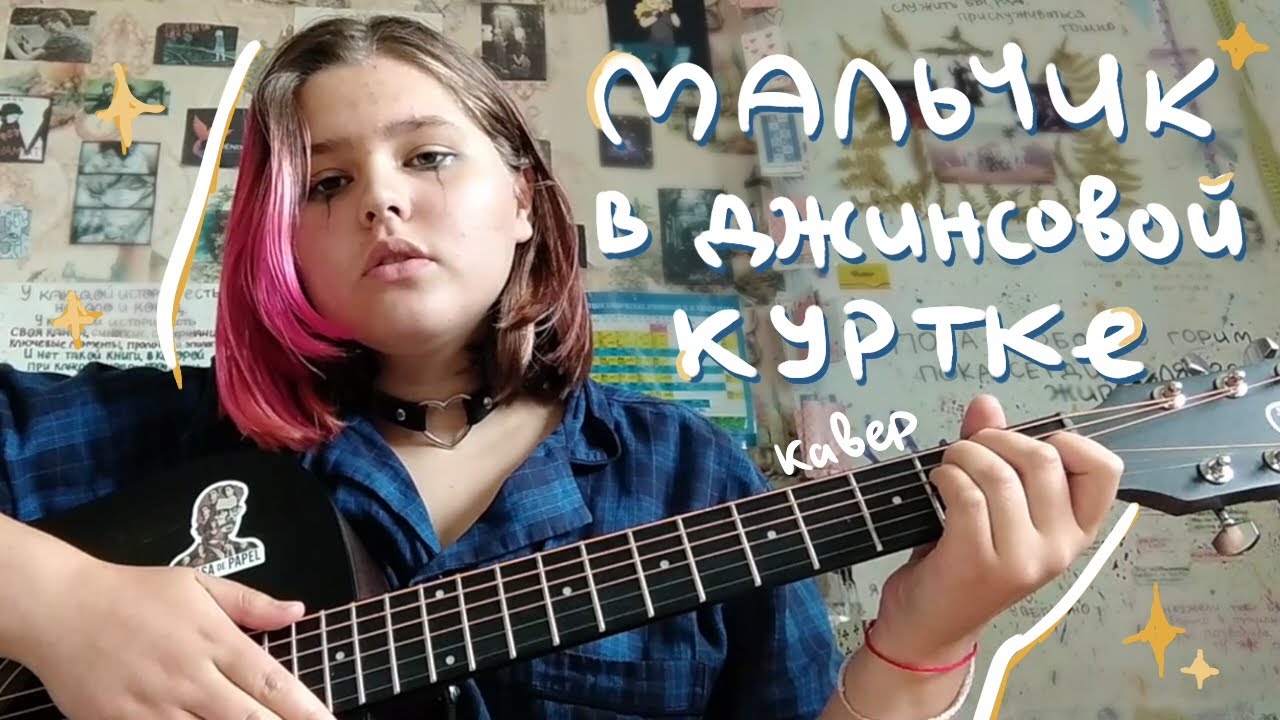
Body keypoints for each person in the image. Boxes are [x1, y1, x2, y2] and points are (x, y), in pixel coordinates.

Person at [0, 14, 1123, 720]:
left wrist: (922, 639)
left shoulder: (685, 477)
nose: (381, 198)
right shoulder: (155, 432)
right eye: (326, 183)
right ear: (278, 243)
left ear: (526, 205)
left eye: (428, 155)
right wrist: (60, 603)